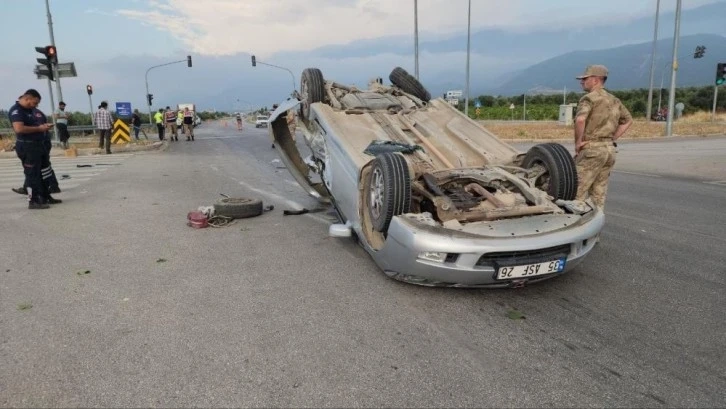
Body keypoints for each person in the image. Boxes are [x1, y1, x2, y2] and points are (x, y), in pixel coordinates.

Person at [573, 65, 632, 210]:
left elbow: (580, 120)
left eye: (585, 79)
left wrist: (578, 142)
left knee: (575, 191)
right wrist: (612, 139)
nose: (581, 82)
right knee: (598, 194)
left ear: (595, 80)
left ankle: (574, 227)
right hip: (609, 151)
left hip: (592, 150)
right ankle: (595, 224)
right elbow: (628, 120)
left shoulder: (588, 98)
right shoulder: (614, 100)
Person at [8, 89, 61, 209]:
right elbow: (19, 129)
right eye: (35, 102)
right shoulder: (17, 111)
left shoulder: (29, 110)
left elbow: (34, 124)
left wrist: (43, 127)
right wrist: (39, 129)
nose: (36, 105)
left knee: (43, 172)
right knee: (32, 175)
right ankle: (33, 201)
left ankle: (45, 196)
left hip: (38, 145)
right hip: (27, 146)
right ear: (28, 98)